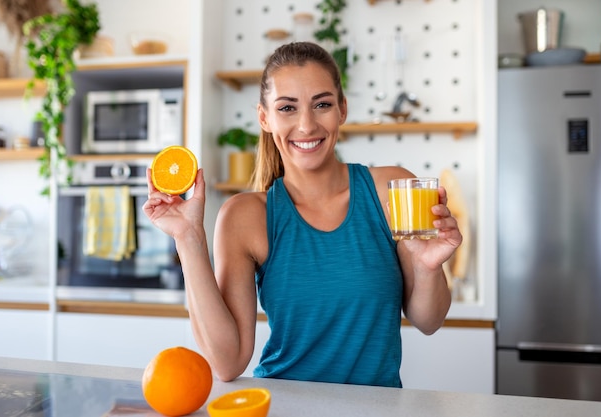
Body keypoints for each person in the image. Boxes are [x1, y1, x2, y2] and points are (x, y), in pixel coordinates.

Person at [143, 41, 462, 388]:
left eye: (321, 104)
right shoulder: (245, 215)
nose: (307, 125)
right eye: (287, 108)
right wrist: (188, 239)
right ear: (264, 118)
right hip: (284, 406)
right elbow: (227, 362)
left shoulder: (393, 189)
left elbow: (428, 320)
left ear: (342, 109)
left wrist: (429, 268)